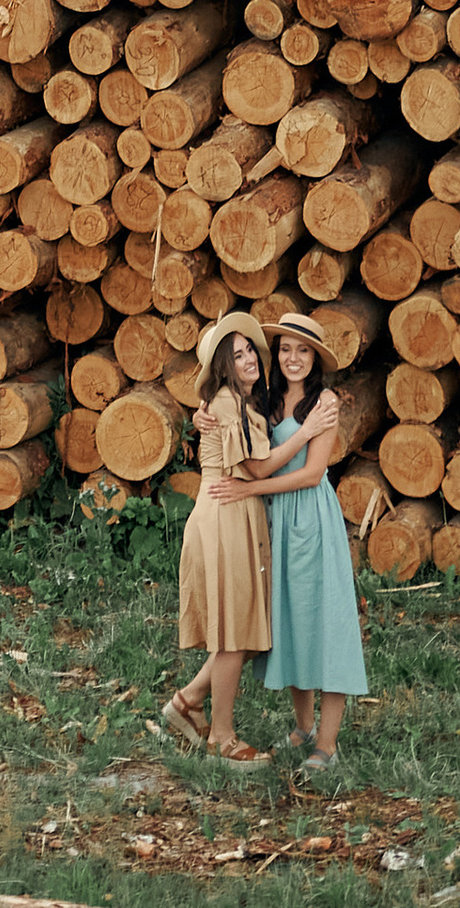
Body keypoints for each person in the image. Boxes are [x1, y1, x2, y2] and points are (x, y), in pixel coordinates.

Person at [224, 310, 370, 779]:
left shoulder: (323, 402)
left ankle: (327, 743)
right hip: (276, 521)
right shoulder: (266, 399)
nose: (293, 358)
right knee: (291, 619)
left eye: (303, 351)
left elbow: (311, 473)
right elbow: (224, 407)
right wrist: (204, 416)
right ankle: (304, 726)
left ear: (315, 359)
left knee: (322, 621)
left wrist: (251, 489)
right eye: (285, 349)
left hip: (310, 516)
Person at [161, 314, 285, 761]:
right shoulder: (228, 402)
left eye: (250, 350)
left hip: (238, 513)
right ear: (223, 366)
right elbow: (257, 468)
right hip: (224, 514)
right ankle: (222, 737)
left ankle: (188, 703)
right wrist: (307, 435)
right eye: (237, 355)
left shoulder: (243, 402)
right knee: (234, 634)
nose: (249, 358)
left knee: (246, 629)